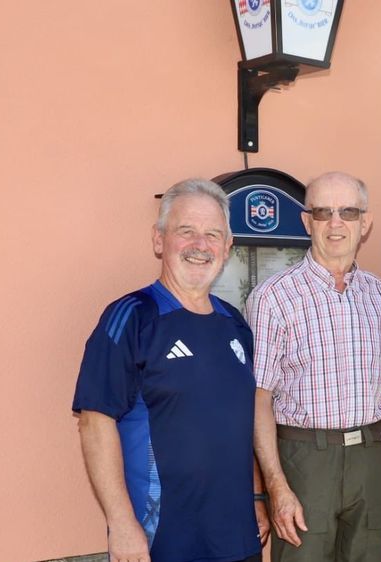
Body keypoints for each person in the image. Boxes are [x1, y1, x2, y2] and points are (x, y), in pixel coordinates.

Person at [73, 178, 268, 562]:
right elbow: (95, 422)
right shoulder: (132, 317)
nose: (201, 245)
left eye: (213, 234)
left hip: (238, 540)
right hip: (162, 542)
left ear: (227, 248)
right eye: (186, 232)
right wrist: (122, 523)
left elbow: (240, 423)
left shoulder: (235, 324)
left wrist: (258, 496)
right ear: (159, 240)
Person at [247, 171, 381, 561]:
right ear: (307, 222)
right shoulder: (273, 298)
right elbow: (258, 399)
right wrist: (276, 487)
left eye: (348, 212)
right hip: (304, 461)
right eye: (323, 212)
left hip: (371, 457)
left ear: (365, 223)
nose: (336, 223)